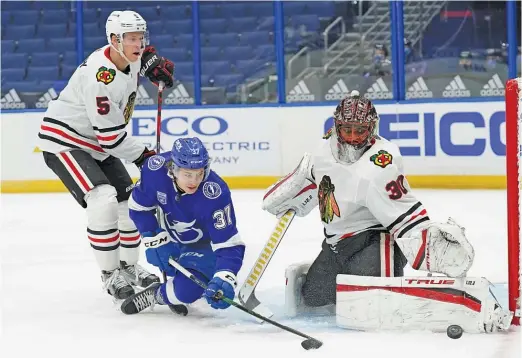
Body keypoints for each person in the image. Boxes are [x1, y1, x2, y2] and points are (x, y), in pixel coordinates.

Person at [261, 90, 512, 332]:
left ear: (372, 129)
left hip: (375, 241)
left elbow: (405, 216)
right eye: (346, 130)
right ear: (336, 127)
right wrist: (299, 180)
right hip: (336, 244)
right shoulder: (321, 151)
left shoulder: (381, 164)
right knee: (314, 299)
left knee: (373, 307)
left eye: (360, 131)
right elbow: (298, 187)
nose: (352, 137)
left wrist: (432, 245)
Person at [37, 10, 175, 301]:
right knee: (102, 200)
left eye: (141, 37)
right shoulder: (101, 77)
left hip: (98, 143)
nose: (138, 44)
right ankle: (110, 275)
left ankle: (130, 267)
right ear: (114, 40)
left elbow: (145, 57)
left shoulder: (129, 56)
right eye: (131, 38)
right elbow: (111, 138)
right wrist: (145, 155)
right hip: (65, 141)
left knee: (130, 205)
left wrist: (152, 63)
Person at [120, 137, 245, 315]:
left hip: (202, 246)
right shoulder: (154, 171)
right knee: (175, 271)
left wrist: (225, 276)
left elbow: (228, 244)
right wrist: (154, 238)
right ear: (173, 169)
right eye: (188, 174)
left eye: (199, 173)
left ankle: (157, 294)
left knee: (187, 291)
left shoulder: (215, 193)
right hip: (169, 237)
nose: (194, 181)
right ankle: (179, 280)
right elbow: (138, 208)